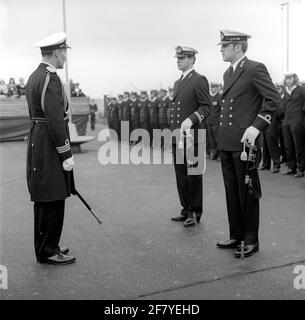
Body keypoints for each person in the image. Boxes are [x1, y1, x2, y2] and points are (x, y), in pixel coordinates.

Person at [216, 29, 280, 258]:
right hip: (227, 141)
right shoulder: (227, 73)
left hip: (246, 142)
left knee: (248, 191)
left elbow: (274, 99)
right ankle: (236, 235)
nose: (221, 49)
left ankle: (251, 239)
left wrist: (257, 126)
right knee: (231, 190)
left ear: (238, 46)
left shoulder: (254, 68)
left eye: (225, 46)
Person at [26, 32, 76, 265]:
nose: (65, 57)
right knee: (53, 196)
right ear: (57, 52)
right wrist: (65, 153)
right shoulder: (50, 78)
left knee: (46, 197)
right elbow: (55, 119)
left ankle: (47, 245)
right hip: (50, 142)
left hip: (40, 139)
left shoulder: (35, 75)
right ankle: (47, 250)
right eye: (64, 52)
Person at [170, 45, 211, 227]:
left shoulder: (199, 80)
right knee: (181, 174)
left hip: (193, 136)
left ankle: (195, 212)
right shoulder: (178, 82)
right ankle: (185, 208)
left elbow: (206, 107)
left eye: (182, 58)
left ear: (192, 59)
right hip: (178, 137)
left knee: (193, 174)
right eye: (177, 58)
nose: (178, 61)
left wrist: (191, 119)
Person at [281, 73, 305, 178]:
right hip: (286, 120)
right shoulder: (286, 91)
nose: (287, 80)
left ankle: (301, 168)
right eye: (286, 78)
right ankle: (291, 167)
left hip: (297, 119)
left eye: (290, 78)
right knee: (288, 145)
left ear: (294, 79)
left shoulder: (301, 89)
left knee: (299, 145)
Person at [207, 82, 222, 160]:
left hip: (216, 122)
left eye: (213, 88)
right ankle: (213, 153)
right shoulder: (209, 97)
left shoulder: (219, 97)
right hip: (209, 121)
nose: (212, 89)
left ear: (216, 88)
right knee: (211, 138)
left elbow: (221, 109)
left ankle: (219, 155)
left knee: (217, 138)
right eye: (211, 88)